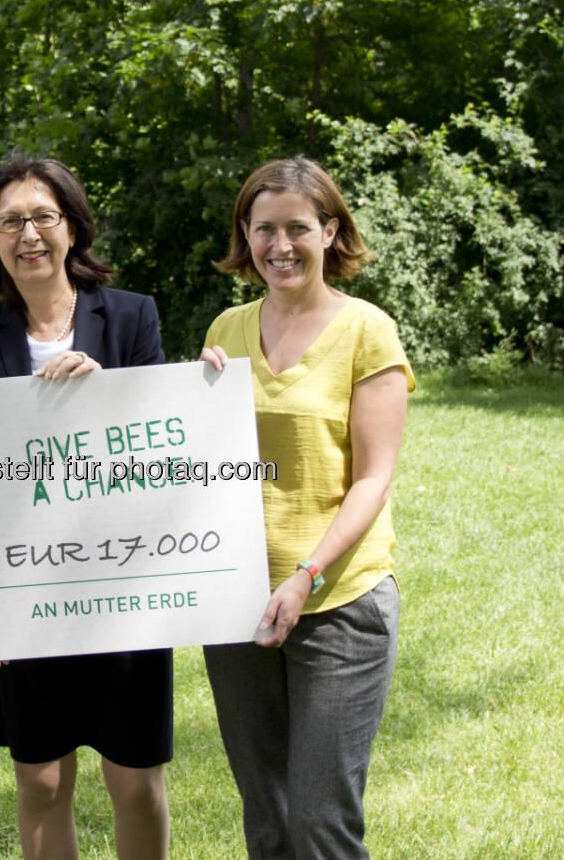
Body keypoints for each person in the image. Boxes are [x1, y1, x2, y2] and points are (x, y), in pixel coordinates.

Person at [0, 157, 172, 860]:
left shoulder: (133, 316)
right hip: (26, 586)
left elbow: (165, 444)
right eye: (10, 221)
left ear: (73, 226)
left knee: (134, 781)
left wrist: (106, 392)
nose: (29, 234)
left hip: (122, 580)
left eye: (43, 216)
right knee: (40, 781)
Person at [198, 156, 414, 860]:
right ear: (245, 235)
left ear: (330, 231)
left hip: (338, 600)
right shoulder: (226, 330)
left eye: (298, 228)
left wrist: (306, 574)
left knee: (322, 820)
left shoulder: (367, 331)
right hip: (238, 600)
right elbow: (200, 461)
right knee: (267, 816)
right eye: (264, 229)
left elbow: (373, 479)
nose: (280, 245)